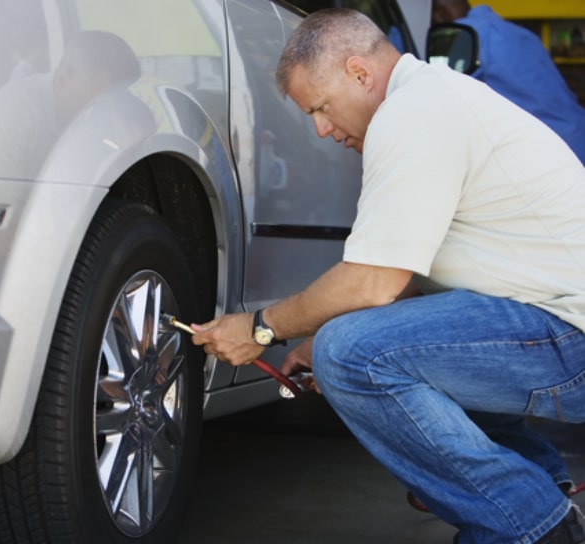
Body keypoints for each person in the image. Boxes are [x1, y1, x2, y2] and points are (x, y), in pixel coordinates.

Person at [191, 8, 585, 544]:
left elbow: (372, 281)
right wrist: (315, 331)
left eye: (321, 108)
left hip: (567, 337)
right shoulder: (434, 97)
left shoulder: (414, 112)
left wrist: (261, 327)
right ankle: (539, 487)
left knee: (350, 354)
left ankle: (533, 525)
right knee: (356, 342)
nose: (322, 130)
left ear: (359, 73)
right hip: (553, 322)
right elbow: (406, 275)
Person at [432, 0, 585, 164]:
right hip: (576, 135)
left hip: (548, 151)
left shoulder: (464, 35)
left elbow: (445, 95)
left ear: (440, 15)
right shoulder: (519, 32)